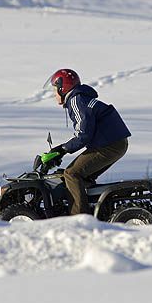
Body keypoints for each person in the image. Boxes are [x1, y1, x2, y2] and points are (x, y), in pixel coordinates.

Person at [43, 69, 131, 215]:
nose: (54, 94)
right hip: (115, 142)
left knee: (72, 174)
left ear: (62, 88)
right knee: (84, 176)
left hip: (109, 145)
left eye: (54, 90)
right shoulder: (80, 98)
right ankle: (98, 211)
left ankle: (79, 218)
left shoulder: (76, 100)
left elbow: (83, 135)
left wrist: (62, 150)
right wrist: (62, 150)